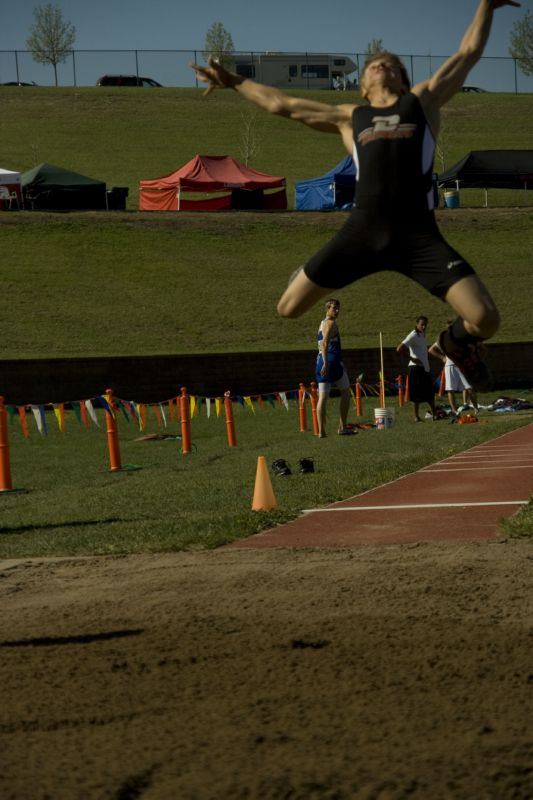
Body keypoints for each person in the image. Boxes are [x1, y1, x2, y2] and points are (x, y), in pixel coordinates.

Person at [191, 1, 519, 392]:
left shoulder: (422, 102)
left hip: (419, 237)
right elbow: (284, 105)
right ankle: (320, 273)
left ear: (402, 80)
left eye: (391, 64)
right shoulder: (351, 118)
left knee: (487, 320)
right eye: (372, 64)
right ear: (361, 86)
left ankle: (454, 343)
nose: (381, 64)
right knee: (288, 308)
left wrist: (486, 5)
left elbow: (467, 53)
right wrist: (235, 81)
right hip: (362, 233)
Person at [315, 298, 354, 437]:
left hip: (320, 361)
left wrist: (323, 362)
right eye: (334, 308)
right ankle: (342, 427)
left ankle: (321, 431)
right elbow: (325, 343)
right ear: (327, 309)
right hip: (332, 362)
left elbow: (322, 344)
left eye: (338, 308)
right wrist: (327, 362)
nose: (337, 311)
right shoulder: (330, 324)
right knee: (345, 392)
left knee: (323, 397)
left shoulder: (322, 323)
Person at [397, 315, 436, 423]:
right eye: (422, 324)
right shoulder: (413, 335)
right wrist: (412, 359)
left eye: (425, 325)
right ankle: (416, 417)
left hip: (425, 367)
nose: (424, 327)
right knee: (416, 393)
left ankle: (435, 414)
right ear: (417, 324)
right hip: (415, 368)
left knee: (430, 392)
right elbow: (399, 348)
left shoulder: (422, 334)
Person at [429, 339, 479, 414]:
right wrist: (442, 357)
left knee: (469, 387)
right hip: (450, 365)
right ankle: (454, 410)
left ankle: (476, 408)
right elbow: (431, 349)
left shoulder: (462, 336)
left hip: (462, 365)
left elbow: (472, 347)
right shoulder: (445, 338)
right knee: (450, 389)